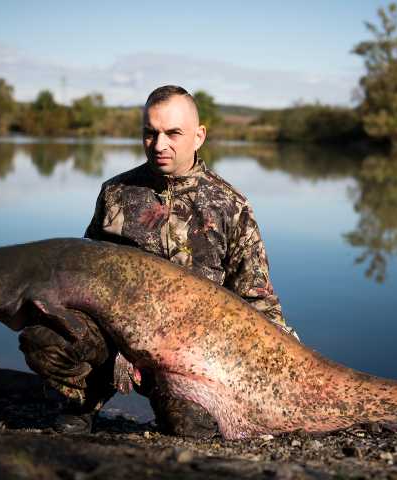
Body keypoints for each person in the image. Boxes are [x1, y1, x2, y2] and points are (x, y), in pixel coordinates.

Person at [19, 85, 297, 437]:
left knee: (190, 427)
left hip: (191, 356)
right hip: (115, 339)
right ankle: (82, 402)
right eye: (150, 133)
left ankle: (172, 403)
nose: (159, 144)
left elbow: (258, 301)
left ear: (199, 136)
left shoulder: (230, 205)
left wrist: (289, 363)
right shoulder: (116, 193)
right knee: (45, 339)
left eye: (172, 133)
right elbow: (82, 276)